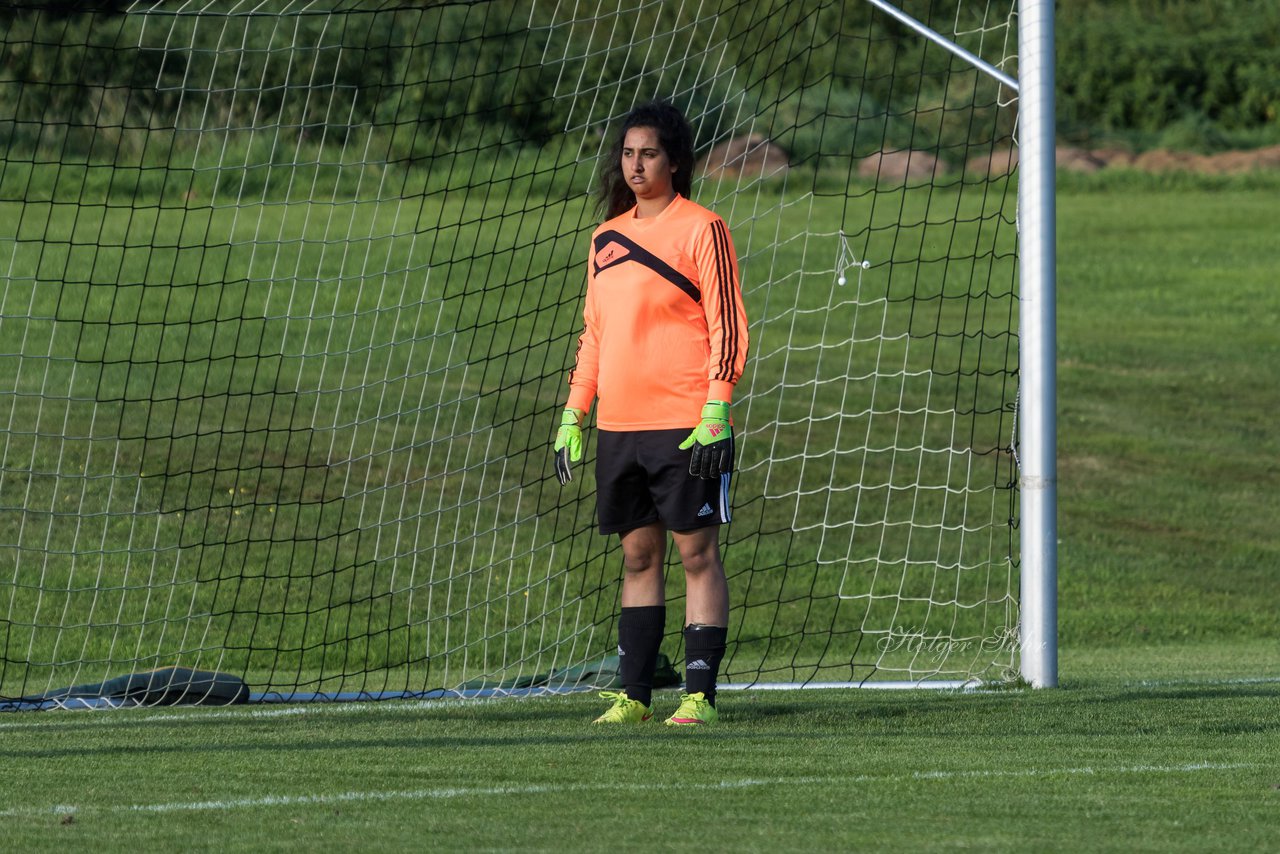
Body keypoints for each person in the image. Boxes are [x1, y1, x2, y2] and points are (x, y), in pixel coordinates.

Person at [553, 101, 748, 727]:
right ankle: (633, 695)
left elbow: (729, 324)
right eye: (629, 154)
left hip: (688, 423)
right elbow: (593, 336)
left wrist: (717, 406)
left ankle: (699, 695)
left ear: (674, 161)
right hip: (619, 427)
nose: (636, 165)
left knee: (697, 556)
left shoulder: (703, 228)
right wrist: (573, 414)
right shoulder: (604, 239)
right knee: (637, 557)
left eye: (650, 154)